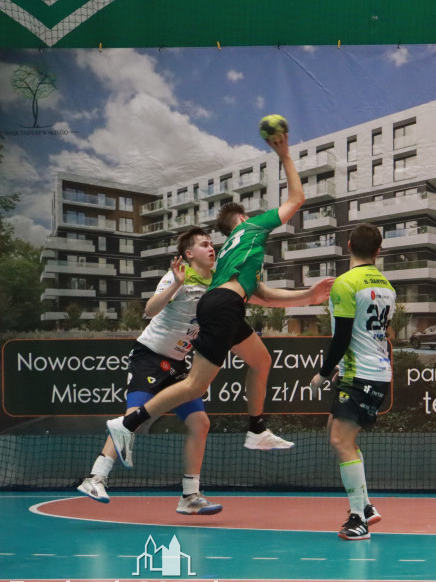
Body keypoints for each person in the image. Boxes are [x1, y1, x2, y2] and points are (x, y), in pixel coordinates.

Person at [106, 130, 328, 467]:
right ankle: (127, 425)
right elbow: (297, 199)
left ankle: (256, 428)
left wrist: (308, 296)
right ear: (242, 220)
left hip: (224, 305)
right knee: (195, 385)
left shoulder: (231, 258)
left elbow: (263, 297)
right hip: (222, 307)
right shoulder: (251, 229)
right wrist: (284, 155)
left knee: (261, 360)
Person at [78, 226, 327, 513]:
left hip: (180, 362)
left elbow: (264, 297)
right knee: (132, 419)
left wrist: (307, 296)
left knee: (200, 423)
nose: (212, 249)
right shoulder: (178, 276)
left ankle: (189, 496)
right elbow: (149, 310)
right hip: (149, 355)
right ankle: (95, 477)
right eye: (204, 245)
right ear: (188, 254)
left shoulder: (221, 282)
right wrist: (175, 284)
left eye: (212, 244)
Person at [309, 223, 395, 540]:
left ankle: (358, 519)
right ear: (378, 251)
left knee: (340, 441)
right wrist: (340, 367)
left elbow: (343, 335)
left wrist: (321, 372)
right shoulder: (387, 285)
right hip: (374, 371)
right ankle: (367, 506)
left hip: (362, 374)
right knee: (340, 433)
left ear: (348, 245)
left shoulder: (345, 284)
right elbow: (371, 335)